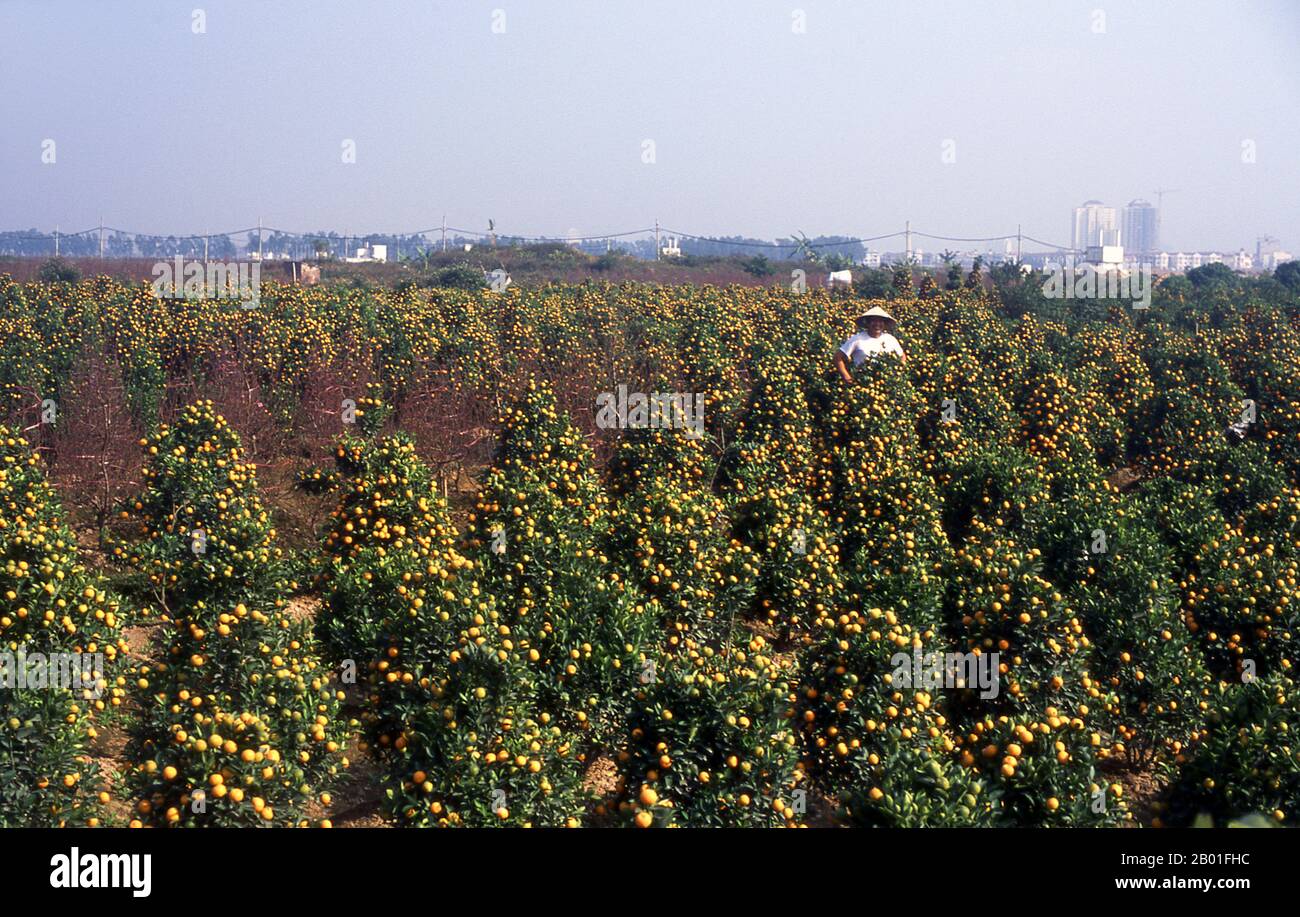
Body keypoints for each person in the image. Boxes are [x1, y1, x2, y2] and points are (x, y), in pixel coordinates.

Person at [835, 306, 906, 382]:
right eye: (873, 321)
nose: (877, 324)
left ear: (884, 323)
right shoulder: (857, 339)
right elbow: (837, 357)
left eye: (880, 321)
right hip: (863, 382)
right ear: (868, 323)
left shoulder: (890, 339)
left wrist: (899, 371)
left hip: (887, 382)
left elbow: (902, 355)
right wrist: (847, 377)